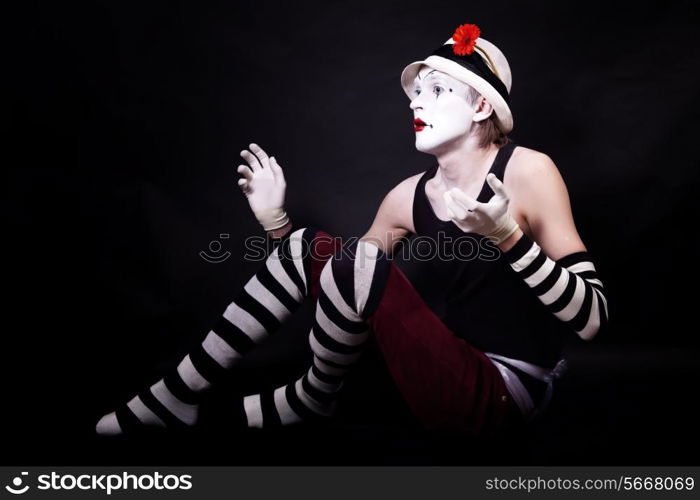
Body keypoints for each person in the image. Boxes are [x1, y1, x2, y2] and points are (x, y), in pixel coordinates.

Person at [96, 23, 608, 436]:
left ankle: (310, 398)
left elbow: (591, 319)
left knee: (355, 262)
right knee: (317, 247)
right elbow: (337, 287)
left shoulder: (528, 171)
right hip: (440, 370)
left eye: (436, 90)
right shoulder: (406, 197)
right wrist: (277, 225)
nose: (415, 103)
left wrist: (508, 238)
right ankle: (179, 396)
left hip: (500, 395)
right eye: (415, 92)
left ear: (480, 107)